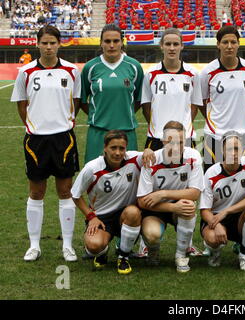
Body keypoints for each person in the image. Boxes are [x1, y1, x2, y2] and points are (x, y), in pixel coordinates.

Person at [11, 25, 81, 262]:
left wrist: (64, 122)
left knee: (65, 191)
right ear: (37, 44)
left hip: (64, 138)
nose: (49, 47)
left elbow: (77, 101)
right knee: (36, 191)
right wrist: (35, 125)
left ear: (59, 44)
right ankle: (34, 245)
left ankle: (68, 246)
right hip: (36, 140)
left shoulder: (71, 71)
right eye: (45, 43)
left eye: (53, 43)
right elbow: (22, 104)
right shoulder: (26, 72)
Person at [139, 28, 204, 257]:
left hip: (185, 140)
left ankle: (186, 243)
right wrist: (159, 130)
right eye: (168, 44)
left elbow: (194, 106)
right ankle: (145, 242)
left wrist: (181, 131)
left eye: (176, 44)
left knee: (188, 190)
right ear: (162, 46)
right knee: (149, 188)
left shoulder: (193, 75)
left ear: (182, 47)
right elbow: (147, 106)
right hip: (156, 138)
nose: (172, 48)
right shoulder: (151, 74)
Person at [71, 130, 143, 274]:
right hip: (101, 218)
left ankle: (123, 257)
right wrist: (91, 217)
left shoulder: (135, 159)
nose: (117, 153)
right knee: (94, 246)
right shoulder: (92, 168)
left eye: (121, 148)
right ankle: (102, 252)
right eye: (113, 148)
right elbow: (75, 194)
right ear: (105, 148)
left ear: (126, 149)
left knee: (133, 212)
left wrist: (147, 151)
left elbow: (157, 154)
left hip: (125, 215)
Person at [137, 121, 204, 273]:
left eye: (180, 142)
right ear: (162, 141)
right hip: (155, 208)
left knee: (188, 205)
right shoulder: (152, 159)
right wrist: (171, 206)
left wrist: (163, 194)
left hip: (176, 205)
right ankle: (153, 249)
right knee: (152, 234)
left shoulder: (193, 156)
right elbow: (142, 200)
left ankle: (181, 255)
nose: (175, 147)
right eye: (170, 142)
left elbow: (195, 192)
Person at [80, 23, 144, 164]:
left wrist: (124, 114)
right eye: (107, 41)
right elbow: (83, 101)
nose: (111, 45)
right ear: (101, 43)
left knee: (130, 178)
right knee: (94, 178)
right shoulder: (91, 67)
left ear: (122, 43)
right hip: (98, 132)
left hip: (127, 131)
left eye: (116, 41)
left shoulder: (134, 66)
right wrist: (98, 115)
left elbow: (139, 99)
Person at [200, 131, 245, 270]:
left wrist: (227, 211)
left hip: (240, 216)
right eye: (229, 149)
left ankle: (244, 254)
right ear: (222, 151)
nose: (233, 153)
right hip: (216, 216)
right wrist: (216, 225)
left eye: (237, 148)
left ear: (242, 150)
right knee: (212, 238)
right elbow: (204, 210)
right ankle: (215, 251)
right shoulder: (211, 173)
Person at [199, 25, 245, 172]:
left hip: (242, 132)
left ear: (238, 43)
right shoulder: (208, 72)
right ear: (218, 44)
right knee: (211, 179)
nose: (229, 46)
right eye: (225, 42)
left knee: (242, 178)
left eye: (233, 42)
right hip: (214, 134)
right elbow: (202, 102)